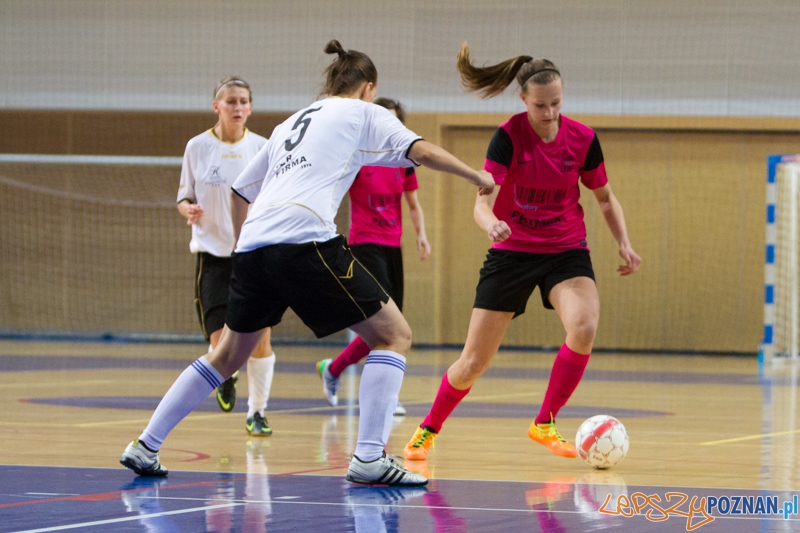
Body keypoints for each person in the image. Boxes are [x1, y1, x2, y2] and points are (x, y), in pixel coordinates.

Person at [120, 40, 494, 486]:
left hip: (255, 247)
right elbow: (421, 151)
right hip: (306, 240)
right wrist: (476, 176)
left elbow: (240, 191)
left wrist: (245, 249)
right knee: (395, 335)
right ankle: (370, 457)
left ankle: (145, 444)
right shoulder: (364, 112)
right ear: (368, 88)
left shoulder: (290, 122)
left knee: (226, 355)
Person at [403, 43, 641, 462]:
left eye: (556, 104)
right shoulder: (509, 137)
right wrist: (490, 222)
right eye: (540, 106)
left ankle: (545, 421)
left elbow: (604, 197)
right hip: (511, 251)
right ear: (524, 101)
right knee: (473, 362)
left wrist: (624, 242)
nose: (549, 114)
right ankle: (427, 429)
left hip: (565, 249)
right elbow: (481, 201)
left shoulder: (583, 139)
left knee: (584, 325)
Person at [316, 97, 430, 417]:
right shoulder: (357, 157)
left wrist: (421, 235)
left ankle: (333, 368)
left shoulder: (403, 161)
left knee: (393, 327)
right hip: (364, 243)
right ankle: (381, 398)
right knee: (384, 325)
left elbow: (413, 204)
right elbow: (331, 192)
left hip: (393, 245)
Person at [176, 76, 276, 437]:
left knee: (260, 337)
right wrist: (187, 209)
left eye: (243, 101)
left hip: (253, 254)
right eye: (230, 101)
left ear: (251, 107)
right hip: (213, 254)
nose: (238, 107)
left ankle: (258, 411)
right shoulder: (197, 147)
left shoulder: (263, 147)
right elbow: (183, 196)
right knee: (220, 340)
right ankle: (227, 374)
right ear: (216, 107)